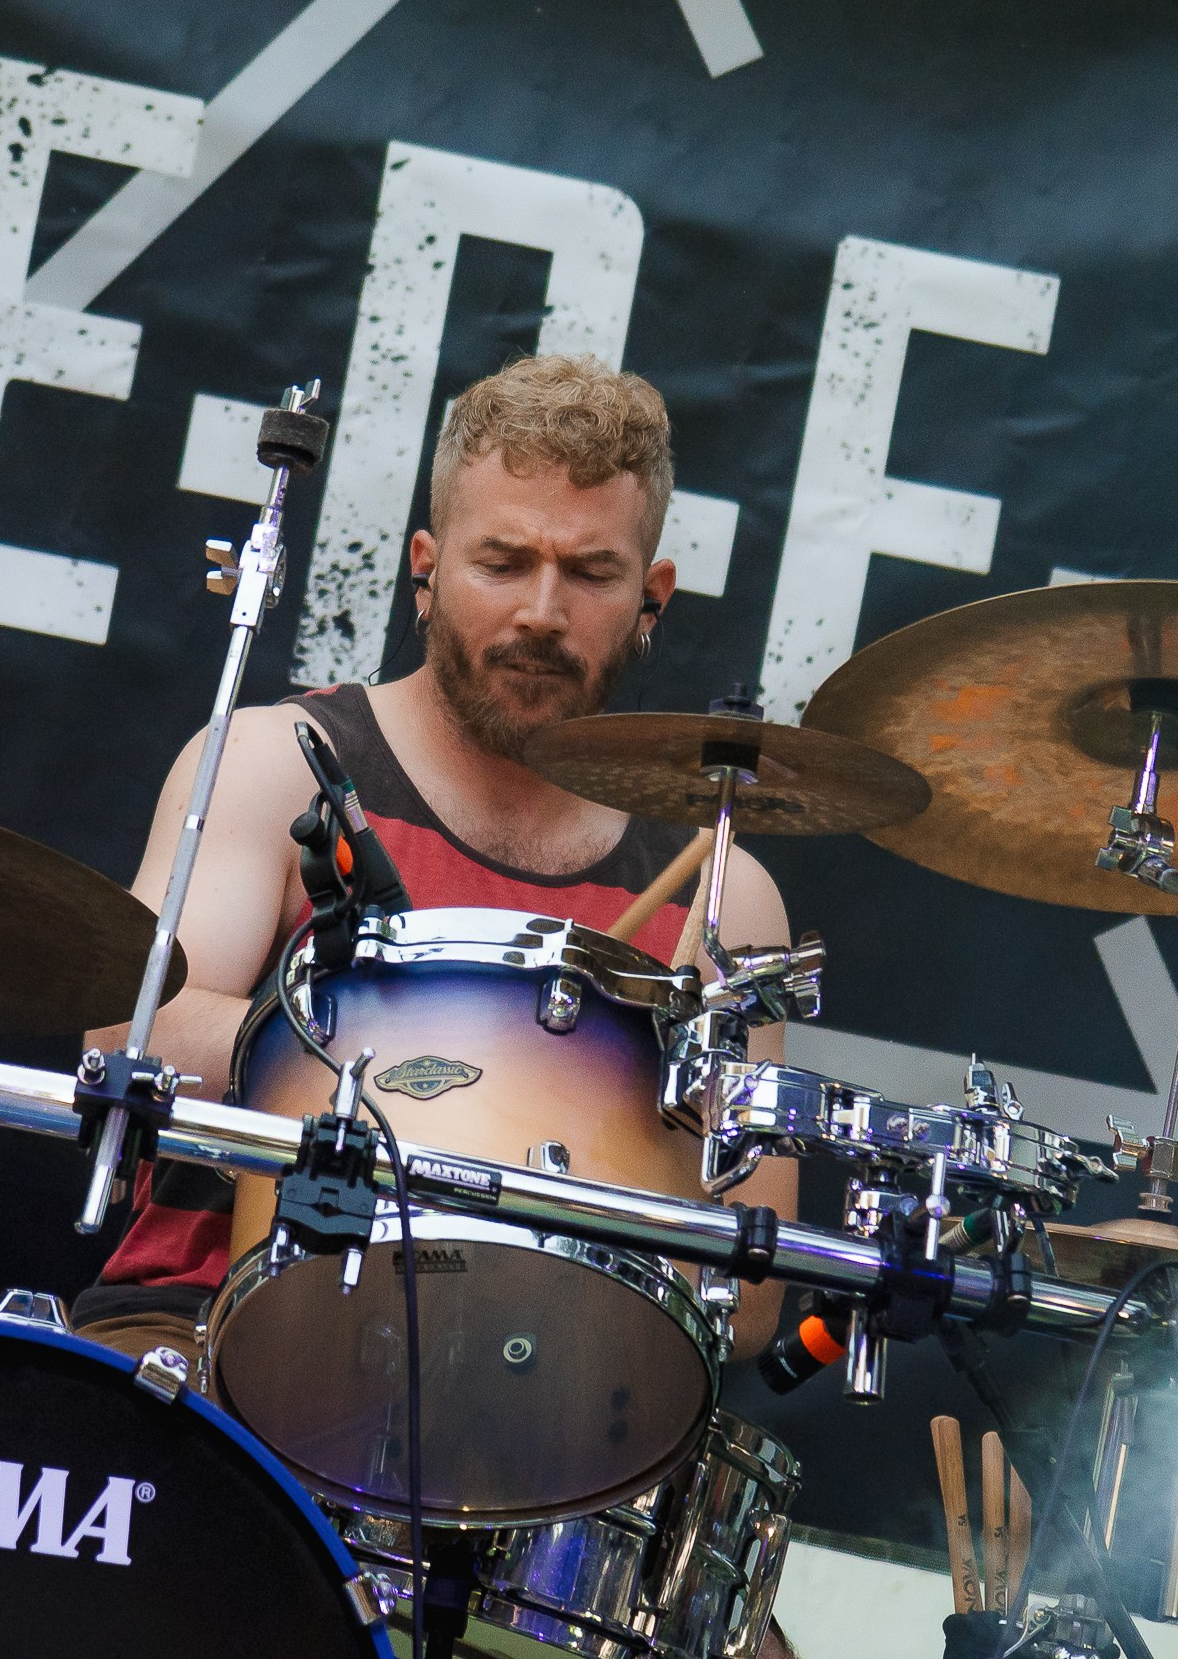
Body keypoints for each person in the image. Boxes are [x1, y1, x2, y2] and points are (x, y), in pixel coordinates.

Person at [71, 351, 800, 1365]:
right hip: (202, 1344)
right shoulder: (279, 763)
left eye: (590, 572)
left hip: (536, 1403)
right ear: (425, 564)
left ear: (652, 594)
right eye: (502, 562)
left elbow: (747, 1295)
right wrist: (460, 1079)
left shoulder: (721, 897)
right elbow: (133, 1024)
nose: (542, 612)